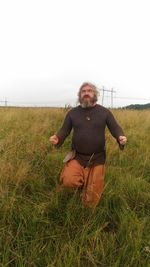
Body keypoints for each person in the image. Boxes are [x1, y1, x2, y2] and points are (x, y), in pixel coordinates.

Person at [50, 82, 127, 207]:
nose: (86, 93)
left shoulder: (105, 112)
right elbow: (64, 130)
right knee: (69, 181)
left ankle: (86, 194)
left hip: (97, 158)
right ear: (80, 95)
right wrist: (57, 138)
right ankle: (81, 182)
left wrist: (120, 137)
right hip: (77, 156)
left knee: (91, 201)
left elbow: (115, 128)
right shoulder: (72, 113)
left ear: (95, 94)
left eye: (89, 90)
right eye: (83, 91)